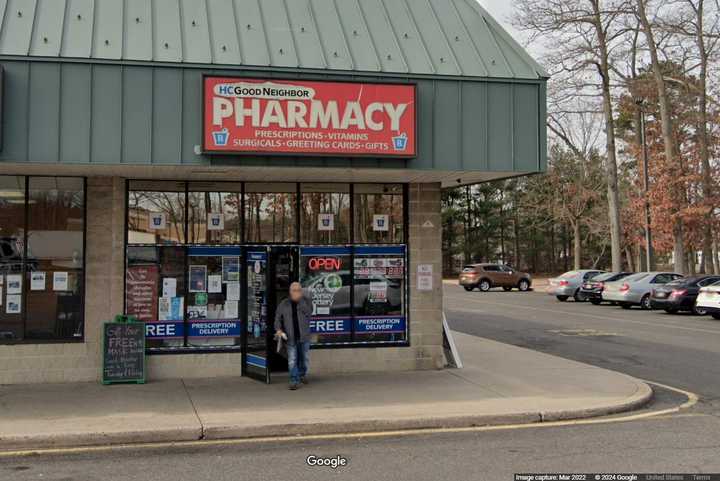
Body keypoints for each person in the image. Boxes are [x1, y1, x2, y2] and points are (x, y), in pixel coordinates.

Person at [274, 282, 313, 390]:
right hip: (290, 337)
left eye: (298, 290)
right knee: (292, 360)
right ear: (290, 292)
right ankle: (294, 380)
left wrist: (300, 302)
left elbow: (309, 313)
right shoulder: (284, 304)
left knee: (304, 359)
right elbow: (277, 318)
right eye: (294, 290)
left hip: (304, 336)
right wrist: (278, 329)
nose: (296, 292)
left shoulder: (306, 301)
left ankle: (302, 373)